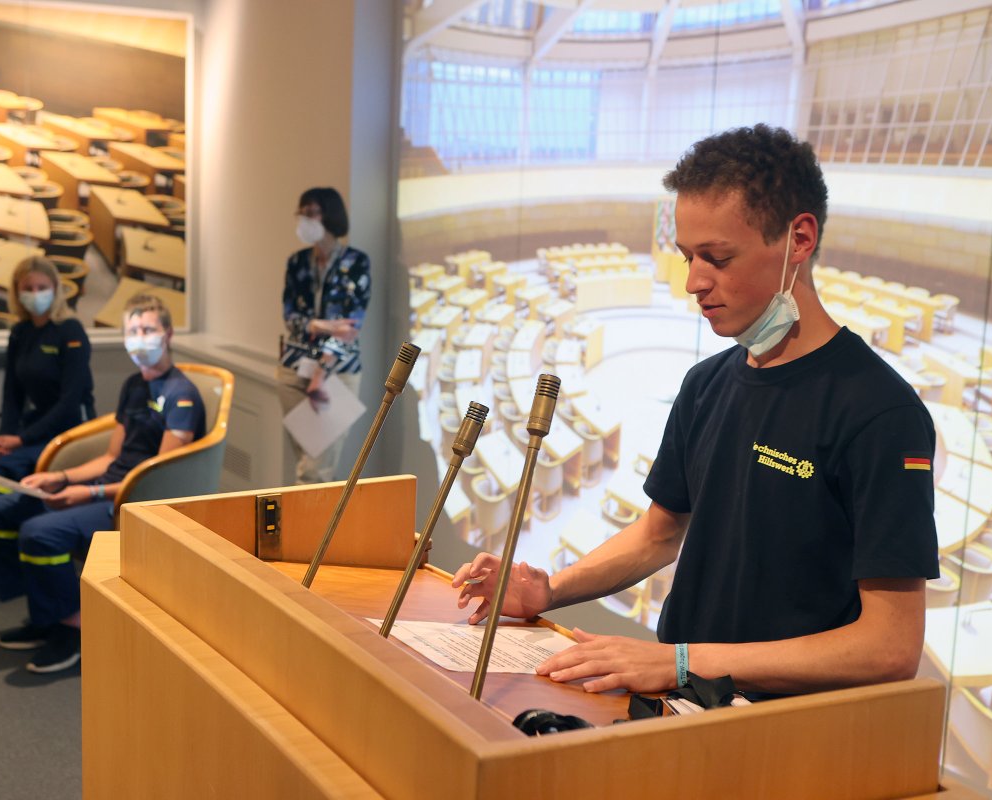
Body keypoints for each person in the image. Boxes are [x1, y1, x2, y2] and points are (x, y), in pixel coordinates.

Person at [453, 124, 939, 697]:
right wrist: (550, 590)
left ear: (799, 239)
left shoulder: (880, 412)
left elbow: (889, 647)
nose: (693, 282)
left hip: (785, 730)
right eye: (688, 257)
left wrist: (684, 662)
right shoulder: (706, 384)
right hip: (682, 706)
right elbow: (659, 535)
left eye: (717, 257)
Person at [0, 294, 205, 673]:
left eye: (148, 329)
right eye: (132, 330)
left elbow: (159, 477)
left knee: (39, 533)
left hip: (132, 499)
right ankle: (46, 613)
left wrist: (88, 492)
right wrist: (60, 477)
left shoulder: (181, 395)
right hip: (105, 485)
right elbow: (111, 458)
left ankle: (73, 627)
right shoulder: (133, 385)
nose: (140, 337)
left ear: (168, 334)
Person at [0, 256, 94, 607]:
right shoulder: (20, 332)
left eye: (42, 287)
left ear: (56, 289)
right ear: (17, 293)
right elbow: (12, 395)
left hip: (68, 432)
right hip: (32, 429)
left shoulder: (70, 331)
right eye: (28, 288)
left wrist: (20, 440)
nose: (35, 294)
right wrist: (4, 439)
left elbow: (70, 403)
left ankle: (7, 570)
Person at [278, 186, 371, 484]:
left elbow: (350, 328)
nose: (304, 219)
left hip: (337, 373)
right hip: (293, 370)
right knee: (305, 461)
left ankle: (309, 518)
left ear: (329, 215)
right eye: (302, 212)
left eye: (312, 212)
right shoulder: (297, 262)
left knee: (315, 471)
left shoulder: (356, 263)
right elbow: (291, 318)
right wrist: (324, 325)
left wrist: (320, 373)